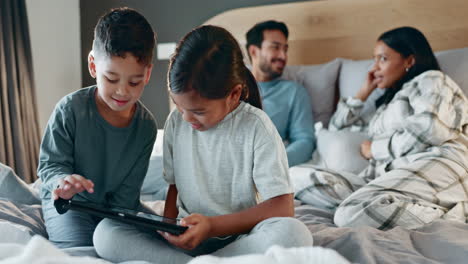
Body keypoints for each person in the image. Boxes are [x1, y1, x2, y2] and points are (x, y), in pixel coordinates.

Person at [92, 25, 312, 263]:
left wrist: (212, 226)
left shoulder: (256, 126)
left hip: (238, 241)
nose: (186, 118)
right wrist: (168, 228)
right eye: (179, 106)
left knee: (294, 234)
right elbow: (174, 186)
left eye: (198, 111)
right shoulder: (176, 122)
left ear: (234, 94)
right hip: (186, 237)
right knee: (106, 232)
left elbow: (282, 208)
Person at [294, 26, 468, 230]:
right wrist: (363, 93)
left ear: (409, 61)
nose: (374, 67)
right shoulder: (383, 109)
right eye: (374, 59)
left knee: (349, 214)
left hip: (436, 162)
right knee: (293, 176)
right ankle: (376, 206)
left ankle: (453, 216)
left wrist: (375, 149)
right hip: (387, 179)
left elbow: (431, 129)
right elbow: (336, 127)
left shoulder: (431, 79)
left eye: (382, 59)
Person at [37, 7, 157, 248]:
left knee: (154, 237)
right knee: (79, 251)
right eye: (111, 79)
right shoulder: (70, 109)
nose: (123, 91)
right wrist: (64, 182)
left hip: (114, 209)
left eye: (134, 82)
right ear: (93, 65)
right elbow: (50, 166)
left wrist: (122, 223)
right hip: (69, 204)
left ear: (147, 74)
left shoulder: (146, 127)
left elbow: (126, 198)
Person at [245, 20, 315, 167]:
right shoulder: (230, 88)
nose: (283, 56)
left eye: (285, 49)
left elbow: (305, 141)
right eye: (275, 47)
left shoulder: (294, 92)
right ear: (254, 51)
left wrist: (274, 163)